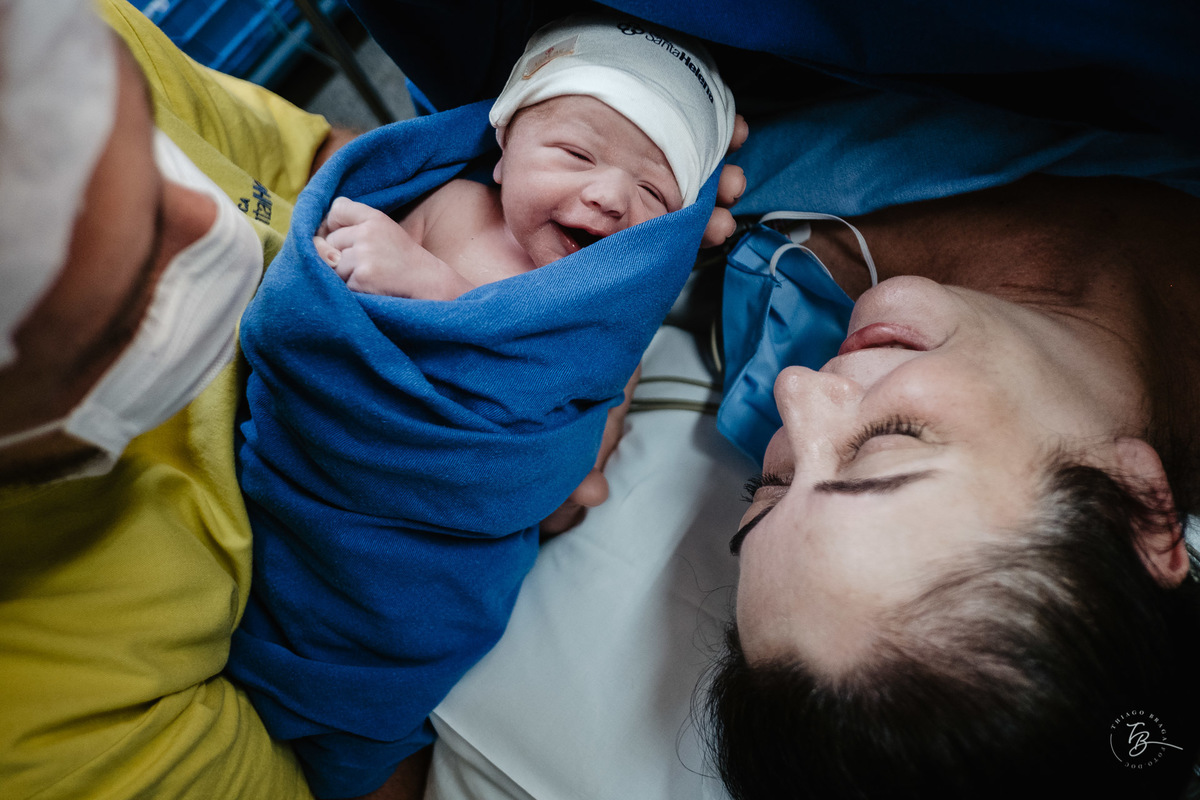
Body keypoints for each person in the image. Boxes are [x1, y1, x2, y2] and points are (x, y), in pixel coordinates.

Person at [0, 3, 745, 799]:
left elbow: (324, 163)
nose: (212, 216)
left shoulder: (59, 32)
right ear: (503, 148)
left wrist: (610, 351)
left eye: (153, 154)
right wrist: (428, 290)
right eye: (129, 269)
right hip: (356, 558)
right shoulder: (51, 725)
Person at [225, 14, 744, 799]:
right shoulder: (448, 202)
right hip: (338, 474)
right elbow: (329, 311)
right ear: (502, 148)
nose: (606, 195)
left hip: (447, 542)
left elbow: (540, 388)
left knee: (386, 670)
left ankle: (355, 737)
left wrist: (428, 284)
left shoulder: (597, 305)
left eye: (652, 193)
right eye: (574, 153)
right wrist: (358, 267)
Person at [707, 173, 1200, 799]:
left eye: (769, 485)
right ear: (1139, 508)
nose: (796, 390)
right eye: (890, 440)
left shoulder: (744, 287)